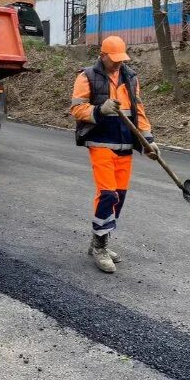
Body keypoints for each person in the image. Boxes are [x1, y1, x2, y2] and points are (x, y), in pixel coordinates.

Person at [70, 35, 159, 274]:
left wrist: (148, 140)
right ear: (103, 56)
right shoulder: (87, 76)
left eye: (121, 58)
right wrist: (100, 110)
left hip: (125, 145)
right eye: (114, 59)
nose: (118, 62)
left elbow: (138, 111)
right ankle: (100, 248)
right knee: (107, 193)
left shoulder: (130, 78)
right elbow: (77, 109)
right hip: (101, 143)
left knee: (119, 196)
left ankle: (100, 239)